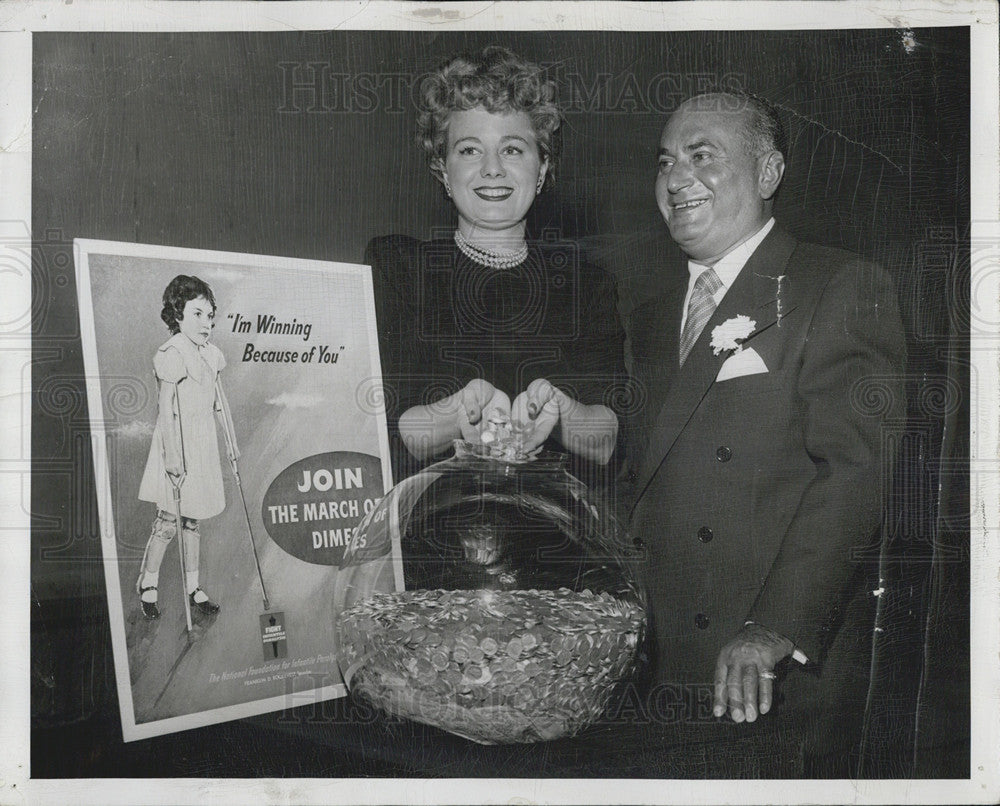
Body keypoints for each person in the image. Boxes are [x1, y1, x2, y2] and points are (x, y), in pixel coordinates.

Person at [625, 92, 906, 773]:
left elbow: (856, 475)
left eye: (702, 156)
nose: (676, 178)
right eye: (665, 161)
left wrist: (771, 629)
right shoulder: (647, 314)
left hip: (760, 678)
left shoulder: (837, 283)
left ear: (769, 173)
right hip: (650, 671)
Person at [366, 46, 626, 488]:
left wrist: (564, 414)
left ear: (542, 168)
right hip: (431, 538)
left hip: (556, 542)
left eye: (513, 149)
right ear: (442, 170)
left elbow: (609, 443)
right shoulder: (398, 267)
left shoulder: (586, 283)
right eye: (469, 150)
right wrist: (459, 411)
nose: (491, 169)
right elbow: (384, 432)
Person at [136, 275, 238, 620]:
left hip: (203, 442)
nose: (206, 323)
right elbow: (165, 410)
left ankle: (193, 586)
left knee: (193, 520)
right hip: (176, 442)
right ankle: (148, 583)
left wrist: (231, 442)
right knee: (167, 520)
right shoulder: (172, 353)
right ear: (177, 315)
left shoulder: (212, 355)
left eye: (210, 316)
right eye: (197, 314)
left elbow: (219, 403)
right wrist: (173, 456)